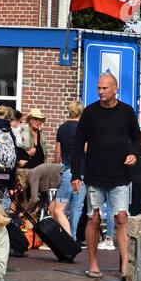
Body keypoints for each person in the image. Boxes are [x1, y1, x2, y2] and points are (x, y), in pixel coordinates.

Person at [71, 73, 141, 281]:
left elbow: (137, 137)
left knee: (121, 218)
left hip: (120, 174)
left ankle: (124, 263)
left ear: (115, 88)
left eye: (105, 88)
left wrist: (134, 153)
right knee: (94, 219)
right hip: (94, 175)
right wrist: (76, 174)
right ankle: (93, 262)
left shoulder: (127, 112)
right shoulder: (90, 112)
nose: (101, 92)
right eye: (99, 88)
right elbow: (78, 144)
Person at [48, 100, 86, 235]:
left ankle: (65, 237)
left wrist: (57, 166)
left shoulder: (62, 128)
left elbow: (57, 151)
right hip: (81, 171)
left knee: (62, 207)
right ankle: (73, 237)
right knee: (77, 207)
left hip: (66, 170)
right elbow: (86, 150)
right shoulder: (83, 128)